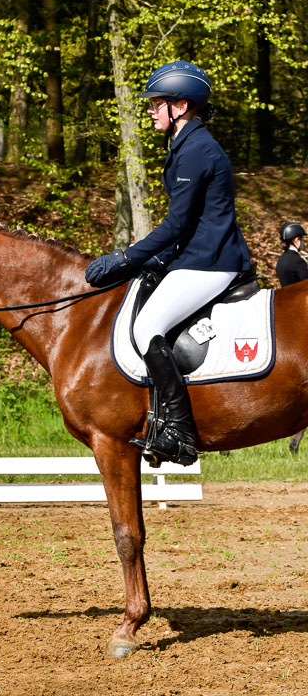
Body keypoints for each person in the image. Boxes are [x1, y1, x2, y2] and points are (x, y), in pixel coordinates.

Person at [85, 60, 250, 466]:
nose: (150, 111)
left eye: (157, 103)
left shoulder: (196, 150)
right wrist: (152, 259)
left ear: (180, 105)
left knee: (145, 327)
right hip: (196, 256)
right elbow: (189, 222)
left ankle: (179, 429)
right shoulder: (187, 145)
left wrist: (126, 257)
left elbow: (177, 224)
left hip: (211, 262)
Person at [275, 222, 307, 452]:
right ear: (296, 240)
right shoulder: (297, 262)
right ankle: (296, 439)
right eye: (302, 239)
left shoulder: (281, 261)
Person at [275, 222, 307, 288]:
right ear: (296, 240)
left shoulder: (281, 259)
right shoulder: (298, 261)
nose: (304, 243)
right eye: (302, 240)